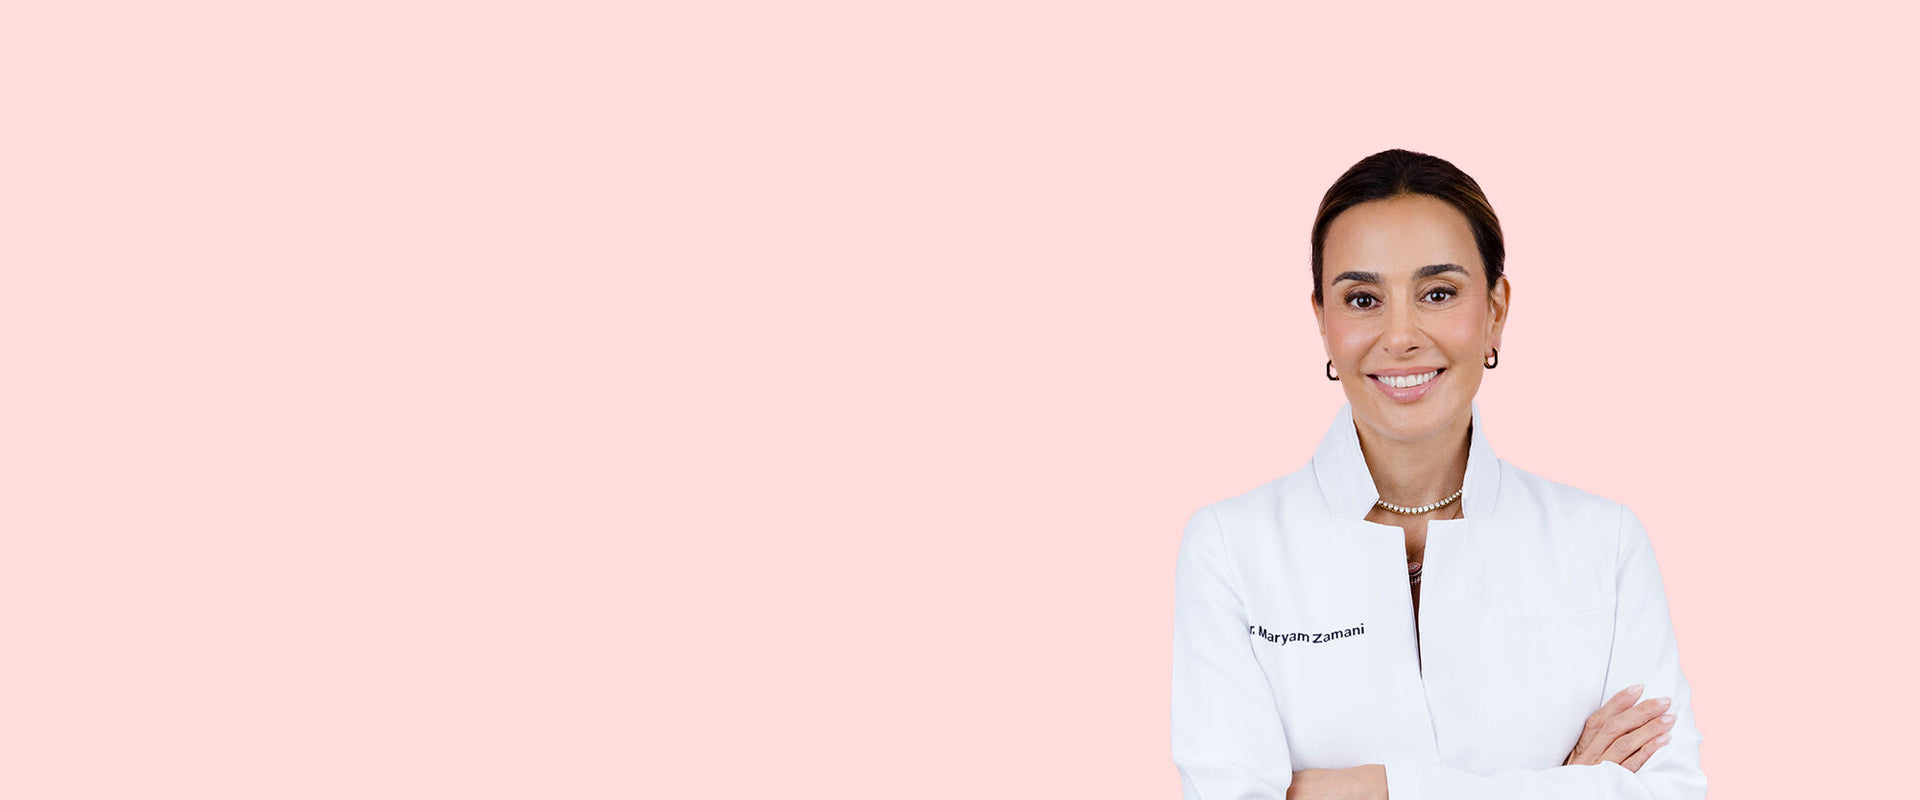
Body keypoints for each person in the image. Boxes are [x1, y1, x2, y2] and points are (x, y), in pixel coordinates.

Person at [1169, 149, 1706, 800]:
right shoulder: (1231, 547)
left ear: (1496, 311)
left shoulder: (1605, 542)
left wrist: (1368, 789)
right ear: (1322, 321)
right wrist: (1568, 787)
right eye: (1363, 298)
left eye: (1438, 293)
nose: (1399, 336)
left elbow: (1669, 792)